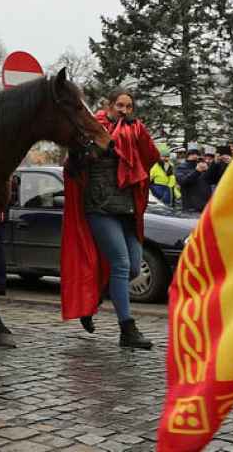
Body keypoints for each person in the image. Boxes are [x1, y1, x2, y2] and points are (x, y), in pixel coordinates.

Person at [60, 89, 160, 349]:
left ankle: (92, 298)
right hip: (100, 207)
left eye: (129, 106)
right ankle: (127, 329)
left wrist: (133, 131)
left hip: (126, 209)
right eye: (120, 105)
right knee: (121, 264)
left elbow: (151, 156)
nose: (124, 110)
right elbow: (74, 163)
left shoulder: (135, 129)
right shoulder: (95, 129)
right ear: (109, 105)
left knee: (135, 267)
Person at [175, 146, 212, 212]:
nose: (195, 156)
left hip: (205, 205)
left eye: (197, 154)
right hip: (191, 206)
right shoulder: (181, 167)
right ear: (188, 155)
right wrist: (197, 171)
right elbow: (182, 181)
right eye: (193, 154)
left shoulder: (204, 166)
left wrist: (208, 170)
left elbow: (214, 181)